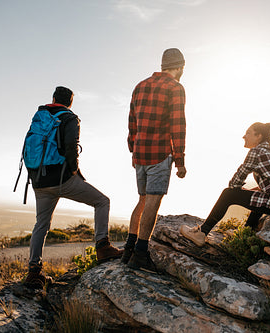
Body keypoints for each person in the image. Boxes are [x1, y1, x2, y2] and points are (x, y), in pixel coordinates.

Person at [24, 86, 123, 289]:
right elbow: (70, 147)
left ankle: (34, 273)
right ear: (70, 102)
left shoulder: (40, 116)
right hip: (62, 179)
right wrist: (74, 171)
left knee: (41, 225)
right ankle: (103, 247)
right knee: (102, 201)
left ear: (53, 98)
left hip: (38, 181)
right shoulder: (69, 118)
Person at [180, 122, 270, 246]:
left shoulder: (256, 151)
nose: (244, 136)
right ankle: (246, 233)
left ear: (259, 136)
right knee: (258, 195)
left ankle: (202, 233)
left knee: (228, 194)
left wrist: (238, 190)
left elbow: (234, 184)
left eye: (248, 133)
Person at [123, 48, 187, 272]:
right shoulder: (175, 88)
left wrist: (133, 150)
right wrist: (179, 161)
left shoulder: (140, 86)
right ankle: (140, 254)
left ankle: (128, 249)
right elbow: (178, 126)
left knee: (142, 199)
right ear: (179, 67)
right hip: (159, 153)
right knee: (153, 201)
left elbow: (132, 123)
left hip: (140, 153)